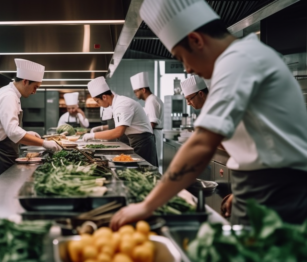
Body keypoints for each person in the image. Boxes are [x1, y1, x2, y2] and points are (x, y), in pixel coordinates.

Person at [110, 0, 307, 230]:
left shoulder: (238, 61)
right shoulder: (246, 56)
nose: (188, 69)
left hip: (277, 196)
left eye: (182, 58)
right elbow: (269, 139)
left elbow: (202, 144)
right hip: (263, 191)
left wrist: (147, 205)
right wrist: (244, 194)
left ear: (196, 40)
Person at [0, 58, 62, 185]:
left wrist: (26, 133)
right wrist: (44, 143)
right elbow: (13, 132)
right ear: (25, 81)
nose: (35, 92)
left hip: (4, 151)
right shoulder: (8, 96)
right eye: (35, 87)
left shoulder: (11, 94)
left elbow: (9, 128)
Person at [82, 76, 158, 167]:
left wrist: (92, 136)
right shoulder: (117, 104)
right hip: (137, 140)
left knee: (146, 172)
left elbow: (118, 132)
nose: (98, 104)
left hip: (143, 142)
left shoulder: (122, 104)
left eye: (98, 101)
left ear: (104, 97)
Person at [130, 72, 164, 162]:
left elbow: (152, 123)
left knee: (152, 163)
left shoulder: (151, 101)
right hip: (152, 136)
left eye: (136, 91)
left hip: (153, 136)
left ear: (143, 90)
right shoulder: (150, 100)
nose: (135, 94)